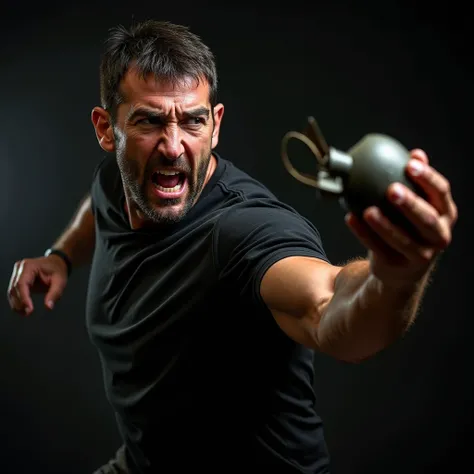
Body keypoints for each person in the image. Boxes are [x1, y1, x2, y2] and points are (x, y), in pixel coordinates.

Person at [6, 19, 457, 474]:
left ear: (216, 124)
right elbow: (102, 201)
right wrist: (60, 256)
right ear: (108, 131)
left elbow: (328, 307)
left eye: (193, 121)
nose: (173, 146)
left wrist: (396, 275)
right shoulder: (119, 178)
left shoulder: (242, 230)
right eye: (149, 121)